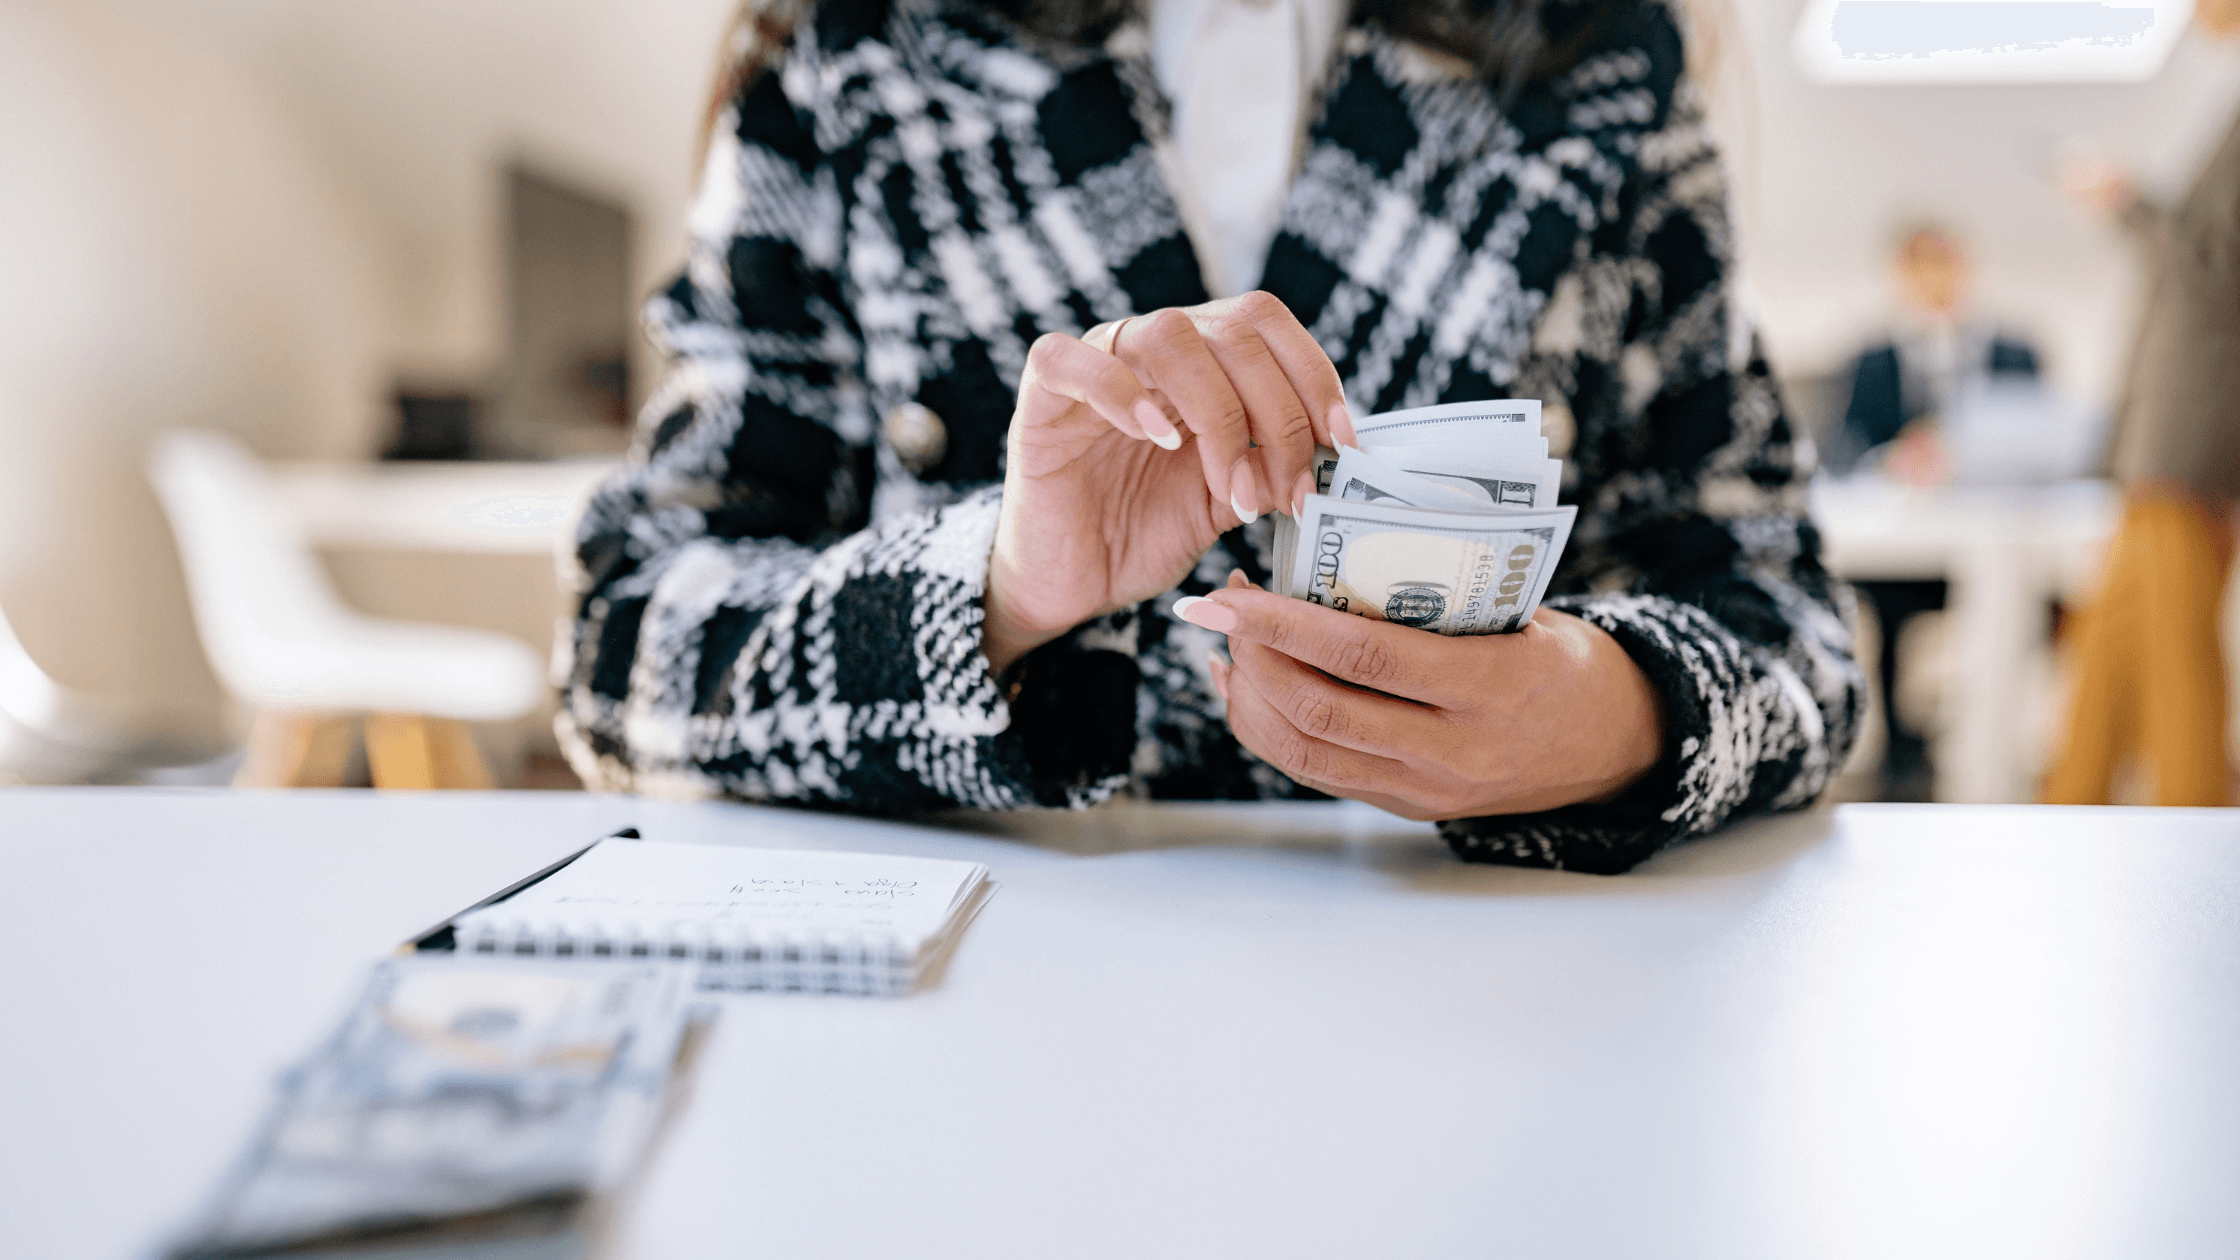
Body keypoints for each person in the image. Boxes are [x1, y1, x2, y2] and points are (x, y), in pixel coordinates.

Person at [555, 0, 1865, 874]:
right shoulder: (851, 60)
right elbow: (623, 654)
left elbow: (1795, 631)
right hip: (977, 1021)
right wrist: (998, 593)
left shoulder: (1601, 70)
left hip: (1480, 1016)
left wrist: (1616, 722)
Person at [2043, 0, 2240, 807]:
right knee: (2110, 642)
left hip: (2194, 422)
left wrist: (2129, 202)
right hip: (2167, 421)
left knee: (2173, 650)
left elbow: (2218, 263)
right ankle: (2065, 812)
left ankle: (2200, 826)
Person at [1829, 222, 2041, 799]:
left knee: (2014, 603)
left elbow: (2039, 441)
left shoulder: (2016, 352)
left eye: (1944, 264)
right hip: (1907, 550)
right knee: (1887, 603)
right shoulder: (1872, 360)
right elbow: (1843, 447)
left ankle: (1993, 754)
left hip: (1995, 539)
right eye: (1919, 266)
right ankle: (1903, 755)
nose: (1934, 279)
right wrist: (1896, 458)